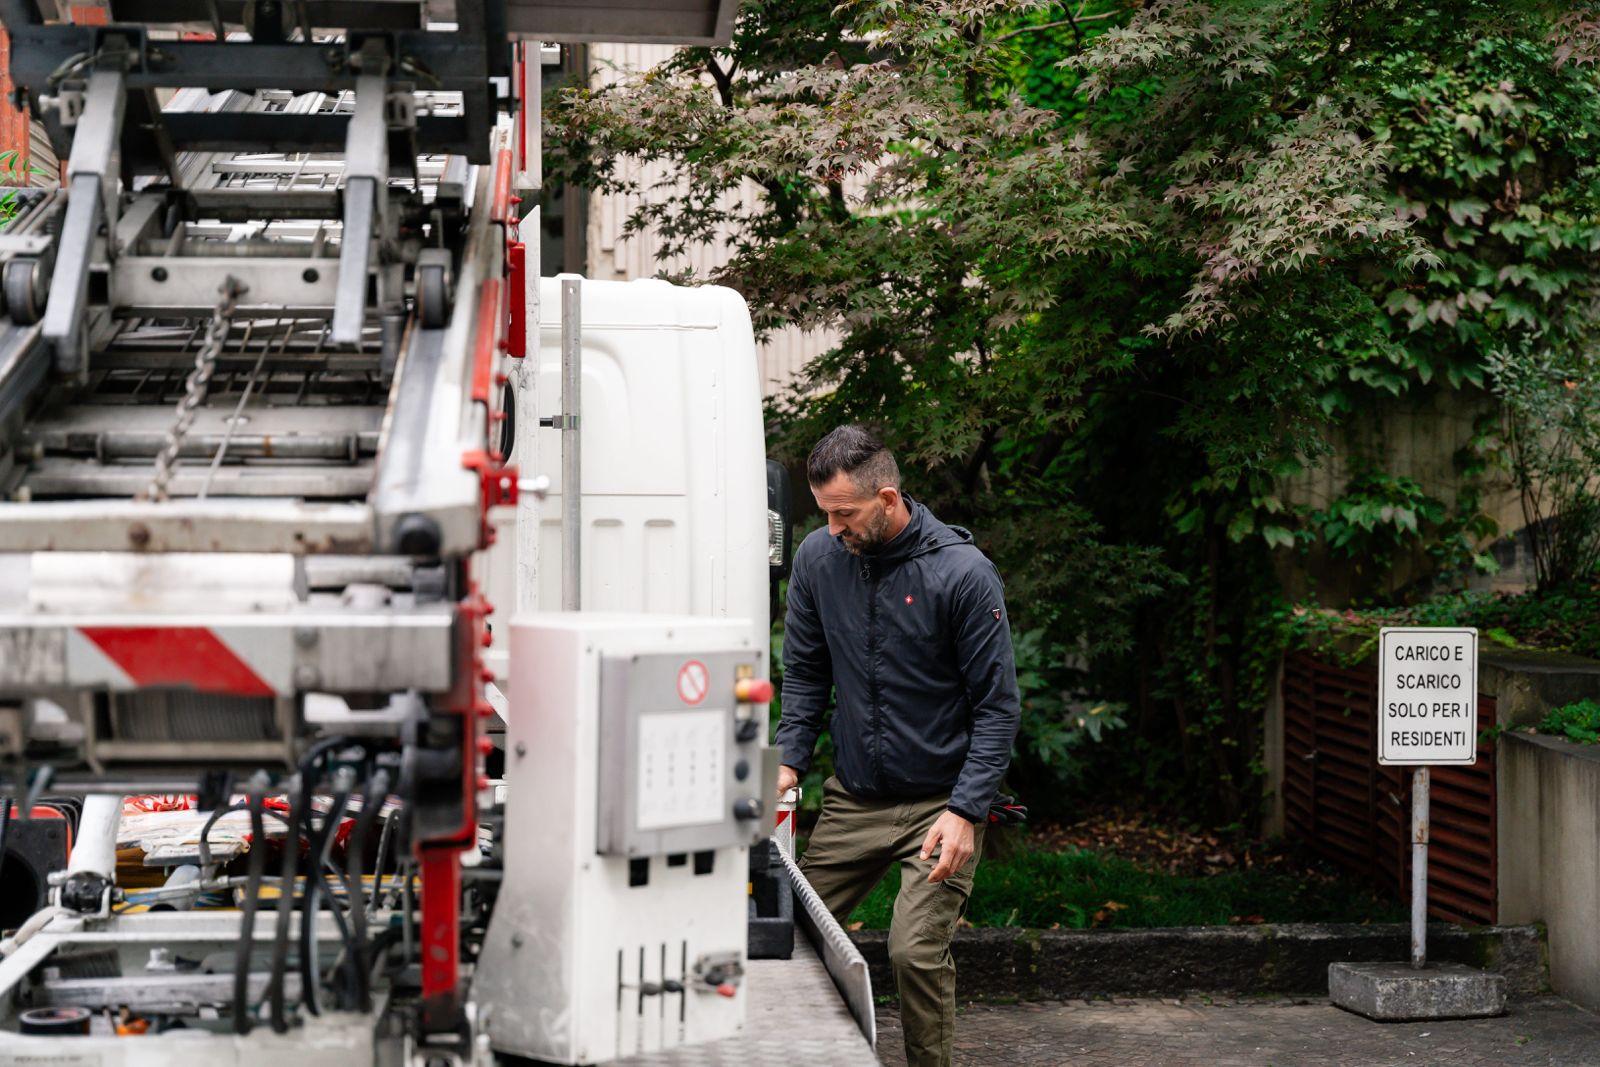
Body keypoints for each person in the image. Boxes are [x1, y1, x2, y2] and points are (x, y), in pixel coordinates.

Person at [774, 424, 1020, 1067]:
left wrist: (968, 811)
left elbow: (997, 708)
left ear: (887, 498)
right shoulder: (817, 561)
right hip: (855, 801)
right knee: (787, 931)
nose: (832, 527)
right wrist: (788, 760)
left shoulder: (963, 574)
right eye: (823, 512)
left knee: (913, 951)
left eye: (843, 513)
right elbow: (805, 672)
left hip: (942, 804)